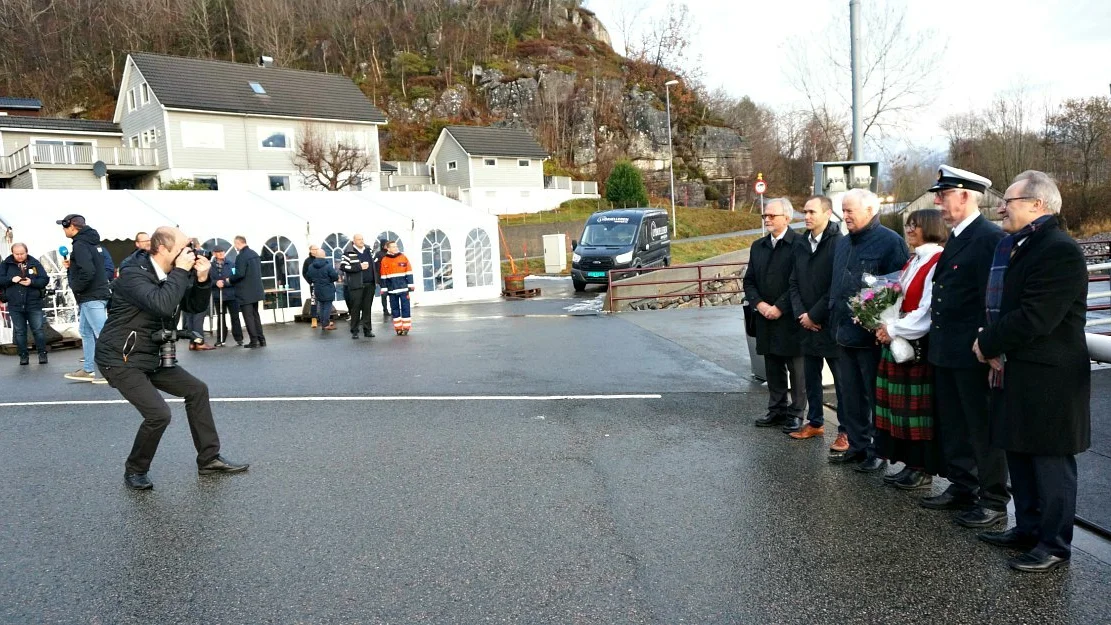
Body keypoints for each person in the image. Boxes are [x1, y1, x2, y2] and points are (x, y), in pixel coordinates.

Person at [974, 171, 1090, 573]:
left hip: (1050, 379)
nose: (1002, 207)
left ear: (1038, 205)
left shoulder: (1058, 250)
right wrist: (992, 341)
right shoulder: (1021, 246)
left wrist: (987, 343)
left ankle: (1054, 544)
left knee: (1050, 463)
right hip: (1018, 371)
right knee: (1020, 454)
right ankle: (1027, 528)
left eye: (1009, 200)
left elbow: (1035, 317)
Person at [95, 226, 248, 490]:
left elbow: (193, 306)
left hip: (153, 355)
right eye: (182, 248)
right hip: (122, 357)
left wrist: (201, 280)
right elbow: (162, 304)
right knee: (158, 414)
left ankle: (209, 459)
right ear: (163, 248)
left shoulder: (175, 273)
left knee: (197, 390)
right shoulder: (133, 274)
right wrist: (180, 271)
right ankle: (135, 469)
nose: (188, 252)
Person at [923, 165, 1011, 529]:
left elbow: (994, 298)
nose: (938, 202)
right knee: (955, 424)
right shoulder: (959, 236)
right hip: (946, 349)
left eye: (943, 195)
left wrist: (989, 346)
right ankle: (962, 485)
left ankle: (992, 500)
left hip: (972, 351)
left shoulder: (987, 236)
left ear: (964, 195)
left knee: (982, 427)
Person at [827, 189, 909, 473]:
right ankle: (858, 445)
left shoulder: (890, 242)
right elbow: (836, 283)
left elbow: (899, 289)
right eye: (844, 210)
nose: (845, 216)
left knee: (875, 397)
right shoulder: (843, 243)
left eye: (850, 210)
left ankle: (878, 450)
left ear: (870, 210)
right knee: (849, 395)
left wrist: (880, 323)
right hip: (842, 334)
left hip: (872, 338)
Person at [873, 209, 947, 490]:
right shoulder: (913, 261)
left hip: (917, 345)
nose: (909, 230)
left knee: (917, 411)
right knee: (900, 409)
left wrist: (892, 329)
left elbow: (927, 310)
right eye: (908, 225)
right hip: (899, 342)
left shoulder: (936, 261)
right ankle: (910, 465)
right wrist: (881, 321)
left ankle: (922, 468)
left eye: (915, 225)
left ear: (931, 227)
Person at [743, 198, 806, 432]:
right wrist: (759, 304)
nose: (767, 219)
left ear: (787, 218)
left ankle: (797, 412)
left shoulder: (799, 245)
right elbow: (749, 281)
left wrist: (779, 307)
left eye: (772, 216)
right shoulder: (757, 246)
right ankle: (777, 409)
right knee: (772, 365)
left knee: (797, 369)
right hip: (764, 317)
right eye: (764, 216)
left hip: (790, 317)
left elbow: (799, 282)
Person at [788, 196, 844, 445]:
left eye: (812, 212)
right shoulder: (801, 243)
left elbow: (836, 285)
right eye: (804, 212)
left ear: (828, 213)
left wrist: (814, 315)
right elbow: (793, 282)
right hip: (806, 324)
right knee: (812, 376)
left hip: (829, 323)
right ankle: (815, 422)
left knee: (842, 381)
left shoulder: (838, 243)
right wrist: (803, 315)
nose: (806, 216)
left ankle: (846, 430)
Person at [57, 214, 110, 383]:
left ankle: (108, 372)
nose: (63, 230)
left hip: (91, 296)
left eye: (64, 227)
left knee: (101, 334)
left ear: (72, 226)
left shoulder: (80, 245)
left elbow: (88, 271)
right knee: (86, 332)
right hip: (92, 295)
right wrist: (73, 267)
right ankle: (88, 369)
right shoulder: (89, 242)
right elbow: (89, 267)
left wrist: (77, 287)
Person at [1, 243, 50, 365]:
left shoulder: (34, 263)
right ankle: (23, 356)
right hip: (15, 303)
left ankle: (42, 354)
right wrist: (11, 280)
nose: (19, 256)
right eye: (16, 254)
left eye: (22, 253)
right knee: (20, 331)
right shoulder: (6, 264)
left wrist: (31, 282)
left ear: (26, 252)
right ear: (12, 253)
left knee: (38, 330)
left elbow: (44, 279)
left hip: (33, 302)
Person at [230, 235, 266, 348]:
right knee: (255, 315)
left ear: (238, 243)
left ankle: (253, 341)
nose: (235, 247)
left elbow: (240, 274)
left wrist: (230, 279)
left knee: (248, 317)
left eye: (235, 244)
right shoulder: (254, 254)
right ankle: (262, 339)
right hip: (256, 290)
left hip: (245, 291)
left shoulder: (241, 256)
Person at [340, 234, 377, 339]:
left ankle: (367, 330)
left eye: (362, 239)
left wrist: (377, 279)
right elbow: (343, 267)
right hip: (356, 285)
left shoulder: (369, 251)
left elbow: (375, 265)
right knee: (355, 308)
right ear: (354, 241)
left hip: (370, 284)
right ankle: (355, 331)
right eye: (359, 239)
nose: (361, 241)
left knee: (367, 308)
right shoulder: (348, 253)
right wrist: (359, 266)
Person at [182, 239, 214, 351]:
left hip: (186, 288)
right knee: (198, 317)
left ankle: (192, 342)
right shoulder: (194, 259)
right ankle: (199, 342)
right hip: (197, 288)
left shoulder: (184, 258)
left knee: (190, 318)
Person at [378, 240, 415, 334]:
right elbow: (383, 276)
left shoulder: (403, 257)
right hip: (392, 290)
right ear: (388, 248)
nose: (395, 248)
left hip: (403, 288)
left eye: (396, 246)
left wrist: (410, 285)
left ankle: (406, 328)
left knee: (405, 308)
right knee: (394, 309)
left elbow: (409, 272)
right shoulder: (384, 260)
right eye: (393, 247)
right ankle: (398, 328)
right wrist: (384, 289)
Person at [211, 247, 243, 346]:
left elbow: (235, 279)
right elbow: (208, 280)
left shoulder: (231, 264)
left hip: (231, 295)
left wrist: (225, 283)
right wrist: (216, 282)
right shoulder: (210, 266)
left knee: (235, 317)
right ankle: (220, 339)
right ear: (214, 254)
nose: (221, 253)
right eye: (218, 252)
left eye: (222, 251)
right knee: (220, 318)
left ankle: (239, 338)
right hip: (218, 295)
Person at [305, 247, 338, 331]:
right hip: (327, 288)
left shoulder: (311, 266)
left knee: (321, 306)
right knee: (327, 306)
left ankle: (323, 323)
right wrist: (329, 281)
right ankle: (326, 324)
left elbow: (308, 275)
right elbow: (335, 276)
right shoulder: (328, 266)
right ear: (324, 255)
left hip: (317, 288)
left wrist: (314, 282)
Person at [373, 236, 391, 318]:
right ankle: (385, 310)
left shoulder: (390, 253)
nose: (387, 246)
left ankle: (393, 308)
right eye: (386, 244)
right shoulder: (378, 254)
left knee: (392, 294)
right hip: (382, 277)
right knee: (384, 294)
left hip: (390, 276)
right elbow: (375, 265)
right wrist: (377, 278)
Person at [303, 244, 320, 328]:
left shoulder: (321, 259)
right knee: (313, 302)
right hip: (313, 284)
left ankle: (325, 319)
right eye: (314, 249)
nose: (316, 250)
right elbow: (304, 273)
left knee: (324, 301)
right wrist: (310, 282)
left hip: (323, 284)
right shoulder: (307, 261)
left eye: (317, 248)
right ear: (310, 250)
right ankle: (314, 319)